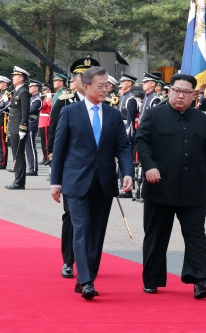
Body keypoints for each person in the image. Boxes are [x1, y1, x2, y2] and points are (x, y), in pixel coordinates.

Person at [135, 73, 206, 299]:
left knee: (196, 235)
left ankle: (201, 280)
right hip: (160, 186)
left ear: (194, 95)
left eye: (186, 92)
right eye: (177, 91)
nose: (181, 96)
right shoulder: (154, 114)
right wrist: (149, 167)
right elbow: (141, 142)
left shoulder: (200, 118)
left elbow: (205, 152)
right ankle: (152, 279)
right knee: (156, 235)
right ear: (169, 91)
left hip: (192, 186)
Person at [51, 66, 133, 299]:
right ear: (86, 87)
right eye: (101, 85)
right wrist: (55, 182)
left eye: (107, 85)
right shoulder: (70, 112)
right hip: (75, 182)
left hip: (104, 182)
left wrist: (127, 172)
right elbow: (59, 149)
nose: (106, 89)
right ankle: (86, 281)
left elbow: (123, 147)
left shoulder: (113, 114)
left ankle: (88, 278)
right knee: (82, 229)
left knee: (97, 233)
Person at [48, 57, 99, 279]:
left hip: (97, 170)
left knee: (95, 217)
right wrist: (56, 173)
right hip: (73, 171)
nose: (85, 79)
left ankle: (88, 260)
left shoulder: (103, 101)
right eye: (81, 76)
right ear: (76, 80)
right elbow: (54, 138)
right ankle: (69, 260)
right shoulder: (64, 102)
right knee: (72, 216)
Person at [5, 66, 31, 190]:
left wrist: (23, 127)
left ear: (21, 78)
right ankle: (17, 179)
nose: (12, 78)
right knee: (16, 154)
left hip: (18, 128)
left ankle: (20, 182)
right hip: (13, 126)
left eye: (15, 76)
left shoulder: (24, 92)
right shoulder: (16, 91)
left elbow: (25, 112)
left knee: (19, 155)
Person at [117, 72, 139, 198]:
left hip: (126, 132)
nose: (121, 83)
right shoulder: (124, 97)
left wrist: (129, 136)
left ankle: (127, 189)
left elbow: (130, 120)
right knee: (121, 160)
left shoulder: (130, 99)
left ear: (129, 83)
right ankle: (123, 186)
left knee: (126, 160)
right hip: (121, 130)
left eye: (123, 81)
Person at [25, 80, 42, 176]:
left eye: (31, 87)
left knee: (31, 147)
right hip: (27, 124)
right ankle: (31, 167)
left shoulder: (37, 100)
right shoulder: (31, 98)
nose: (29, 88)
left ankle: (34, 169)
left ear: (36, 88)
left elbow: (31, 110)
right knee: (28, 148)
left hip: (31, 124)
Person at [38, 84, 53, 165]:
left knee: (46, 141)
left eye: (45, 89)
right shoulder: (43, 98)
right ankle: (44, 156)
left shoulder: (49, 98)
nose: (43, 91)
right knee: (43, 141)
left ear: (49, 90)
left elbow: (50, 106)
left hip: (46, 121)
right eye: (43, 90)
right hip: (41, 121)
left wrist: (49, 98)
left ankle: (47, 157)